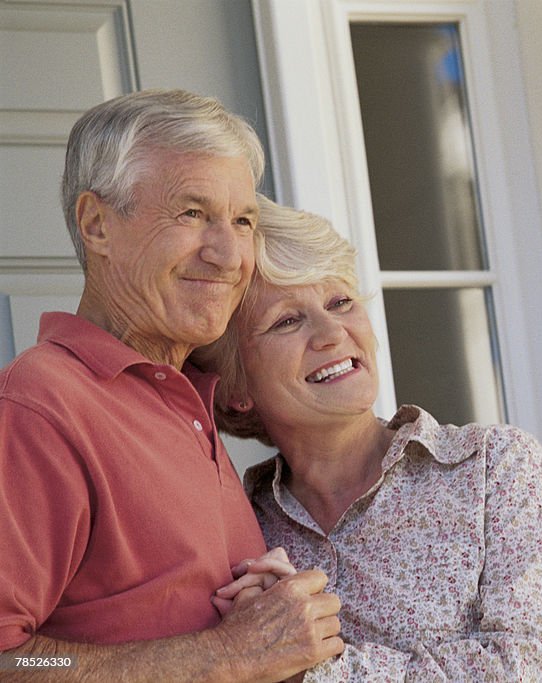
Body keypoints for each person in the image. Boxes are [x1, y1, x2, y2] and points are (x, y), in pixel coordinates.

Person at [0, 90, 342, 681]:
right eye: (192, 214)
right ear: (97, 224)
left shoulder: (186, 396)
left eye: (242, 221)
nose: (229, 254)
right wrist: (226, 655)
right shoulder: (41, 405)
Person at [194, 195, 542, 681]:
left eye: (340, 302)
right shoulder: (235, 530)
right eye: (287, 320)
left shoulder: (497, 468)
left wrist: (314, 669)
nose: (332, 332)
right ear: (236, 388)